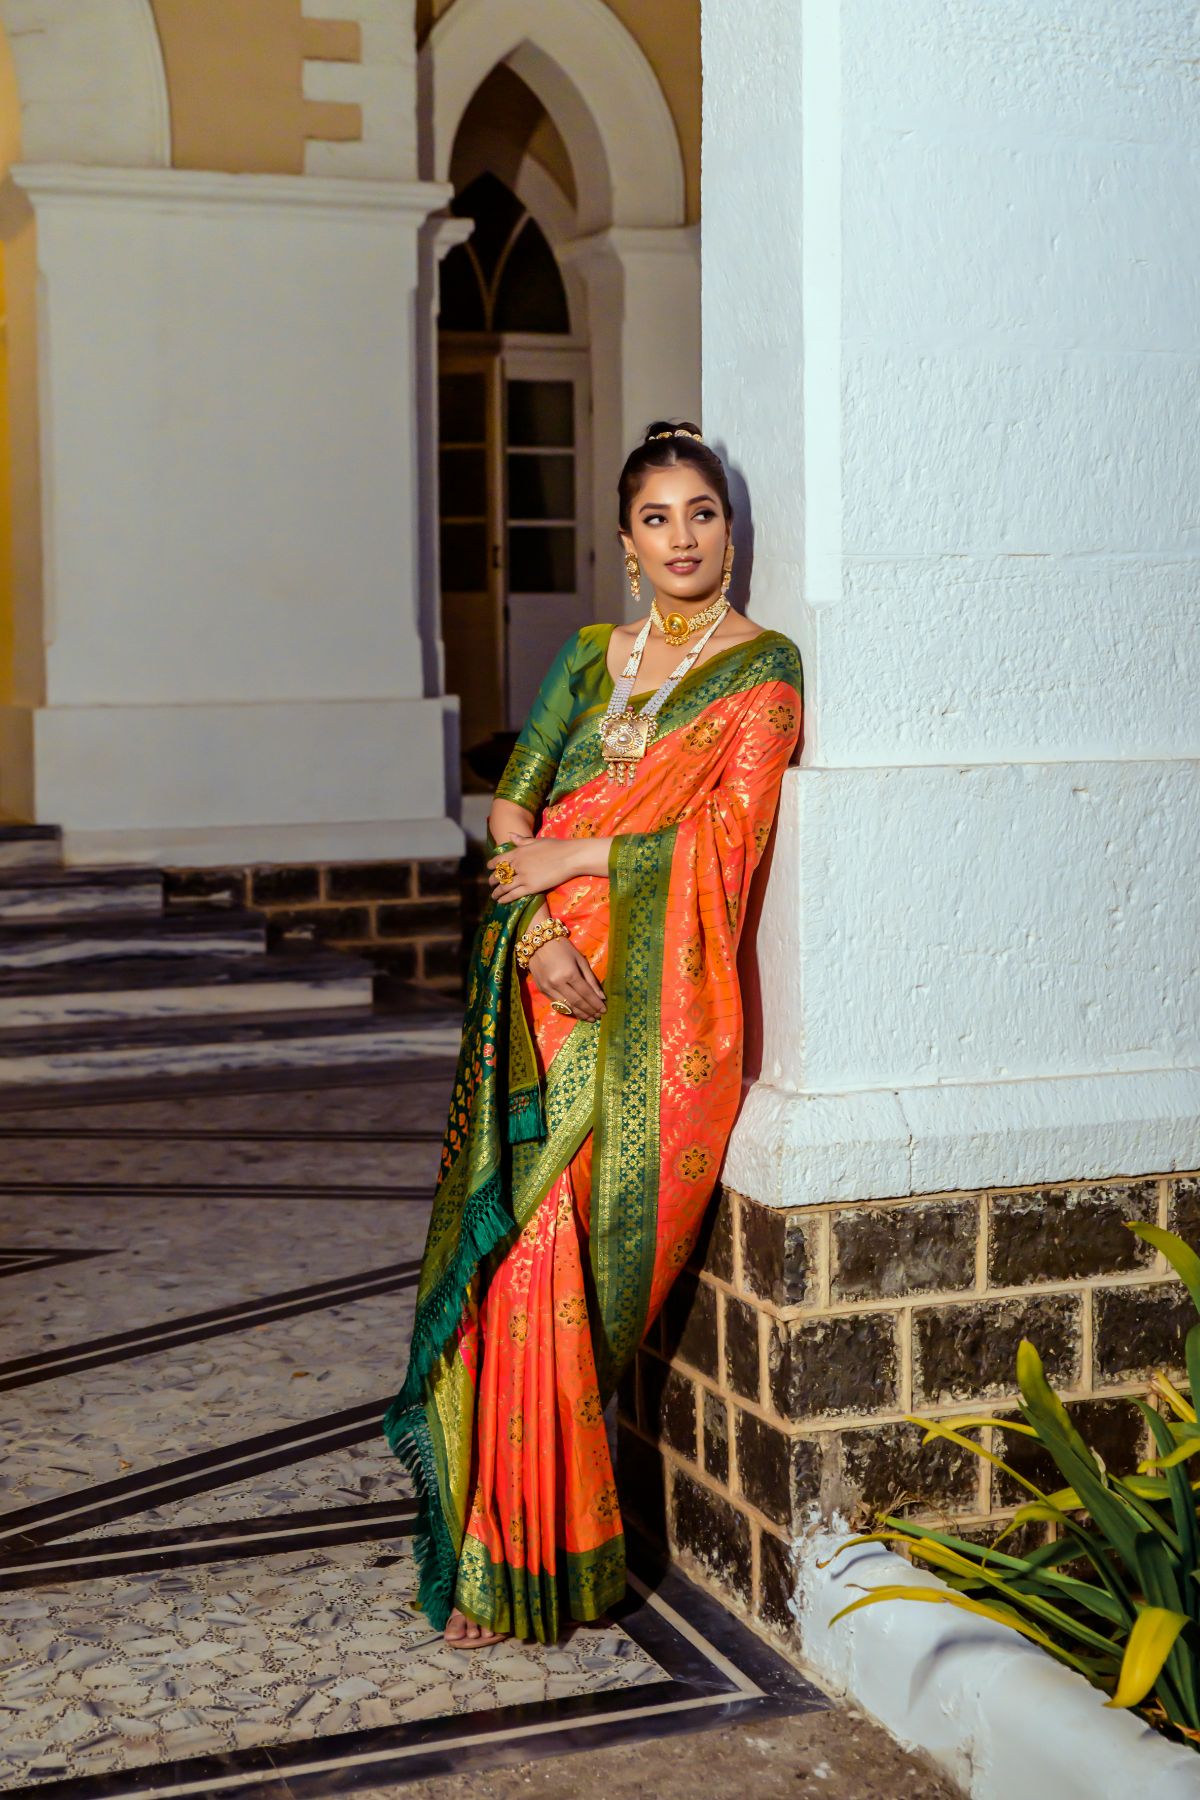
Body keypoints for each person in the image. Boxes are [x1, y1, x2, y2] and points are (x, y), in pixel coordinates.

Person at [383, 419, 804, 1648]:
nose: (684, 538)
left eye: (704, 513)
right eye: (659, 519)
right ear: (626, 543)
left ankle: (532, 1549)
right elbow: (510, 807)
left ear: (730, 530)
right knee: (517, 1253)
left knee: (552, 1258)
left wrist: (578, 853)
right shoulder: (588, 659)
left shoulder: (762, 672)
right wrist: (538, 932)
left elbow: (727, 843)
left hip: (656, 1017)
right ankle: (497, 1555)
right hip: (543, 979)